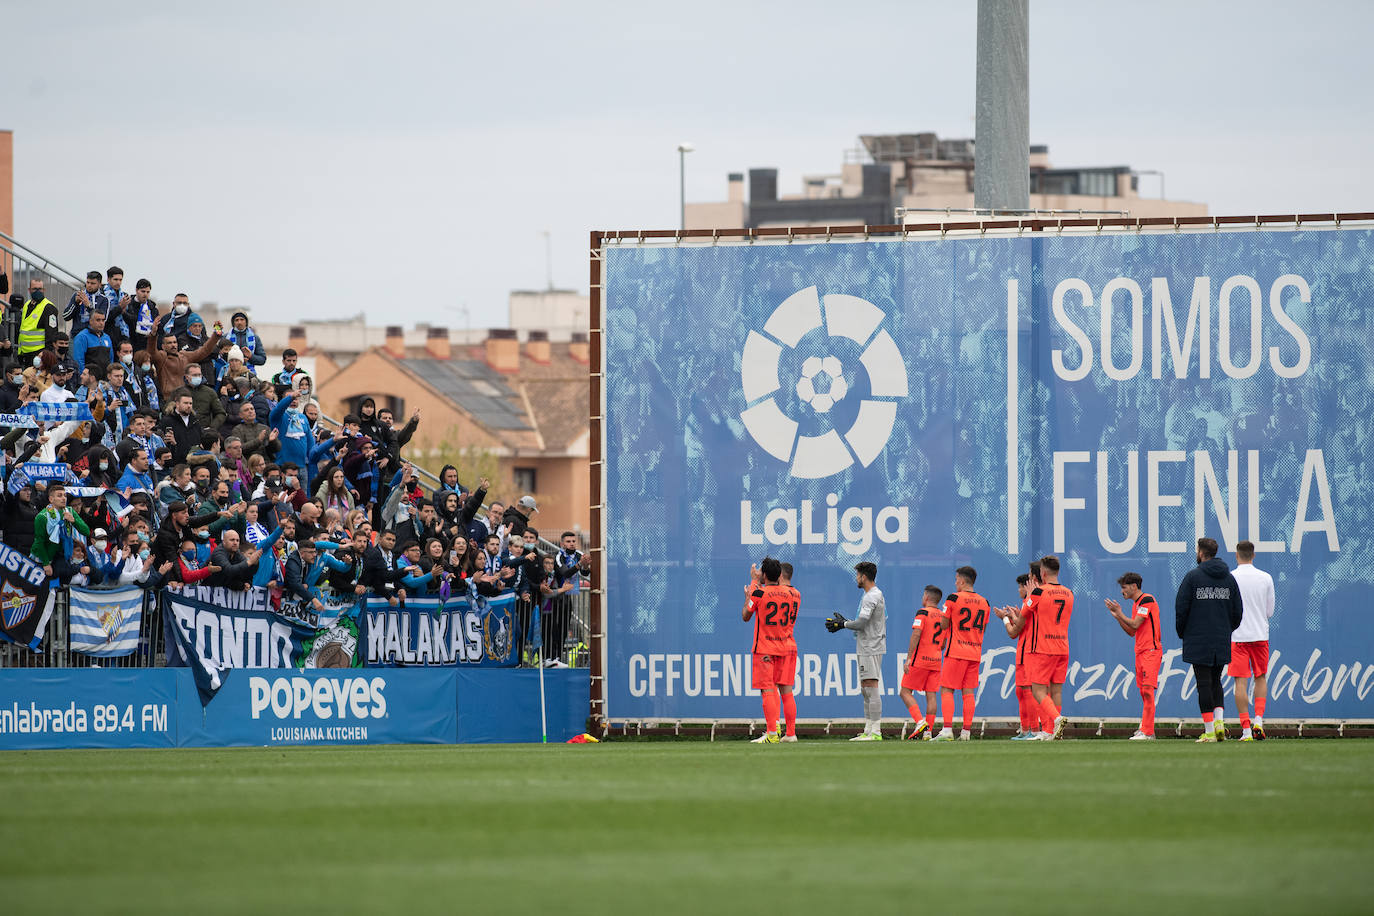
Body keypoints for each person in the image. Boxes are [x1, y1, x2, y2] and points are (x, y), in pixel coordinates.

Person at [1175, 537, 1244, 743]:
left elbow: (1181, 609)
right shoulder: (1229, 579)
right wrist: (1226, 629)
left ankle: (1209, 731)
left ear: (1201, 553)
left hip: (1198, 638)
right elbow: (1238, 611)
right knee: (1216, 682)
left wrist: (1183, 633)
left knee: (1203, 683)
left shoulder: (1192, 577)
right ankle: (1220, 723)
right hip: (1221, 637)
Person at [825, 560, 886, 741]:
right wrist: (846, 622)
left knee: (871, 688)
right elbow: (863, 622)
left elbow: (861, 623)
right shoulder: (871, 595)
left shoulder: (871, 596)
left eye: (858, 575)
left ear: (864, 577)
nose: (856, 578)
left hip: (870, 646)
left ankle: (876, 731)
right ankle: (869, 729)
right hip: (867, 645)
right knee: (865, 688)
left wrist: (843, 624)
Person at [741, 557, 799, 745]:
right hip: (784, 645)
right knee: (786, 691)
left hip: (765, 647)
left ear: (764, 575)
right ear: (779, 575)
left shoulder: (759, 593)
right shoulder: (792, 594)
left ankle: (772, 733)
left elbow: (746, 616)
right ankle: (790, 733)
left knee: (767, 689)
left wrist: (752, 585)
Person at [930, 566, 991, 741]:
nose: (955, 582)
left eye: (956, 579)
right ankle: (966, 732)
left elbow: (943, 624)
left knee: (947, 689)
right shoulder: (985, 602)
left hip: (956, 650)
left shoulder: (953, 599)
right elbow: (983, 629)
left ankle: (947, 730)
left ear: (962, 581)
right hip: (974, 652)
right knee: (968, 692)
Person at [1021, 554, 1074, 740]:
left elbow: (1023, 613)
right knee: (1056, 690)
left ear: (1042, 573)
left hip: (1044, 648)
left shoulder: (1039, 592)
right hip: (1062, 647)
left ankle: (1056, 719)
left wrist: (1029, 595)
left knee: (1038, 690)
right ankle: (1050, 732)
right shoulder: (1069, 592)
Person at [1106, 572, 1163, 741]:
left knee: (1147, 690)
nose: (1122, 591)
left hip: (1151, 651)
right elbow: (1132, 631)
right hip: (1140, 652)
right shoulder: (1136, 604)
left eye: (1124, 587)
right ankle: (1146, 729)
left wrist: (1119, 612)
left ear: (1134, 586)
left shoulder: (1147, 599)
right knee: (1143, 691)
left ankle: (1147, 731)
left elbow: (1135, 623)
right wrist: (1118, 617)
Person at [1229, 540, 1275, 741]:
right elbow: (1270, 611)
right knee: (1261, 677)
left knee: (1240, 681)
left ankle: (1246, 729)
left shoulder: (1230, 577)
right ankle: (1258, 720)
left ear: (1237, 555)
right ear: (1253, 555)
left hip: (1238, 636)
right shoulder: (1265, 578)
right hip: (1260, 635)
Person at [996, 568, 1039, 740]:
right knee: (1021, 692)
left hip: (1030, 651)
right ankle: (1025, 729)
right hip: (1023, 652)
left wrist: (1005, 619)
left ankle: (1034, 730)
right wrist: (1015, 615)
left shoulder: (1032, 600)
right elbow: (1024, 626)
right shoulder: (1027, 603)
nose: (1018, 590)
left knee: (1028, 691)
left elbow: (1013, 632)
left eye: (1020, 586)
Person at [899, 584, 945, 741]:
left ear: (926, 597)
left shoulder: (922, 613)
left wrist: (909, 658)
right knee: (931, 696)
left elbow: (916, 635)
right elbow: (944, 643)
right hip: (937, 660)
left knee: (905, 692)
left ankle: (920, 722)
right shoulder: (943, 615)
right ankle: (928, 732)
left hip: (920, 660)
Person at [17, 279, 60, 359]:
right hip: (25, 352)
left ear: (44, 290)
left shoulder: (49, 307)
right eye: (34, 289)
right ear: (29, 290)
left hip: (39, 353)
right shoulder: (26, 305)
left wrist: (46, 355)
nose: (37, 291)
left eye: (40, 289)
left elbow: (51, 335)